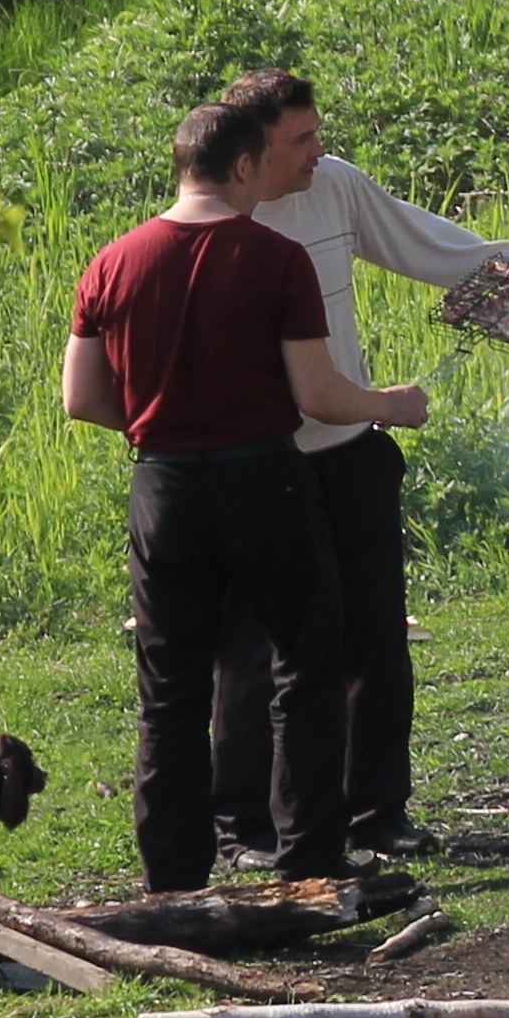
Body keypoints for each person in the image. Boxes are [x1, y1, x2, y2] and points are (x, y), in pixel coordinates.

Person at [61, 88, 429, 890]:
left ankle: (174, 878)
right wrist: (391, 407)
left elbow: (81, 398)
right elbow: (319, 396)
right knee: (306, 666)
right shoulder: (273, 258)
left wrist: (162, 423)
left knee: (171, 691)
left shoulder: (114, 261)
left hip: (162, 487)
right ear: (239, 165)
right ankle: (309, 858)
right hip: (263, 479)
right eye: (268, 158)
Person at [193, 68, 509, 870]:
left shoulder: (337, 188)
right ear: (252, 153)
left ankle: (375, 811)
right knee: (255, 653)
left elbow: (427, 244)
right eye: (303, 139)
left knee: (376, 639)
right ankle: (244, 823)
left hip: (349, 454)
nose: (320, 150)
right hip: (260, 467)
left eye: (319, 132)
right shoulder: (216, 223)